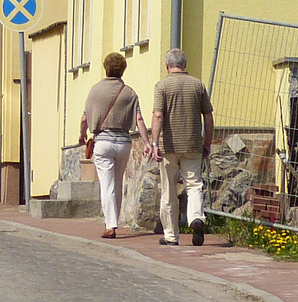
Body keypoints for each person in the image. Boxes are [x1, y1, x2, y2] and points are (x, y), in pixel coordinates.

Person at [78, 51, 149, 239]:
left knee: (107, 184)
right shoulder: (129, 93)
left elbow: (85, 118)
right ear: (123, 70)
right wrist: (148, 142)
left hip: (102, 142)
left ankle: (111, 224)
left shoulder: (95, 90)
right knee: (118, 183)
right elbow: (139, 119)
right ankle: (113, 220)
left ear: (105, 68)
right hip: (124, 143)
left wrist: (82, 134)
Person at [150, 47, 215, 246]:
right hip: (193, 143)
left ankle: (171, 235)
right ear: (185, 65)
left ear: (167, 65)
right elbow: (209, 116)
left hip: (169, 145)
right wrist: (207, 142)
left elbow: (158, 115)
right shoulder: (198, 85)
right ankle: (196, 217)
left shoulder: (162, 86)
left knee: (169, 188)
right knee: (194, 184)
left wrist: (154, 143)